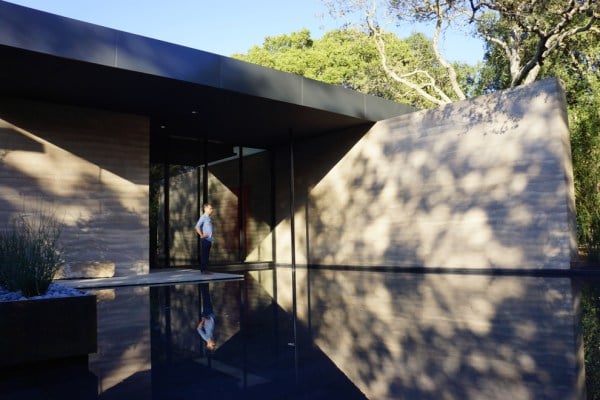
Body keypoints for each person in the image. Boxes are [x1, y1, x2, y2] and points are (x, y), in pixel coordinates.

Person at [195, 203, 214, 274]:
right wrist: (202, 235)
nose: (212, 210)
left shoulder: (208, 218)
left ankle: (205, 270)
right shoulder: (203, 217)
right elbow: (197, 227)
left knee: (206, 255)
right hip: (205, 240)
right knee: (204, 255)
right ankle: (203, 270)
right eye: (210, 208)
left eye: (212, 208)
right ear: (205, 209)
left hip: (209, 240)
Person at [196, 283, 216, 351]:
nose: (214, 344)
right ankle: (205, 283)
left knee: (205, 297)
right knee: (207, 297)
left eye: (212, 345)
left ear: (208, 345)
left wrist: (204, 320)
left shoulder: (205, 337)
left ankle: (203, 283)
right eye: (214, 345)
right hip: (210, 315)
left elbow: (198, 329)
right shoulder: (211, 337)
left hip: (207, 315)